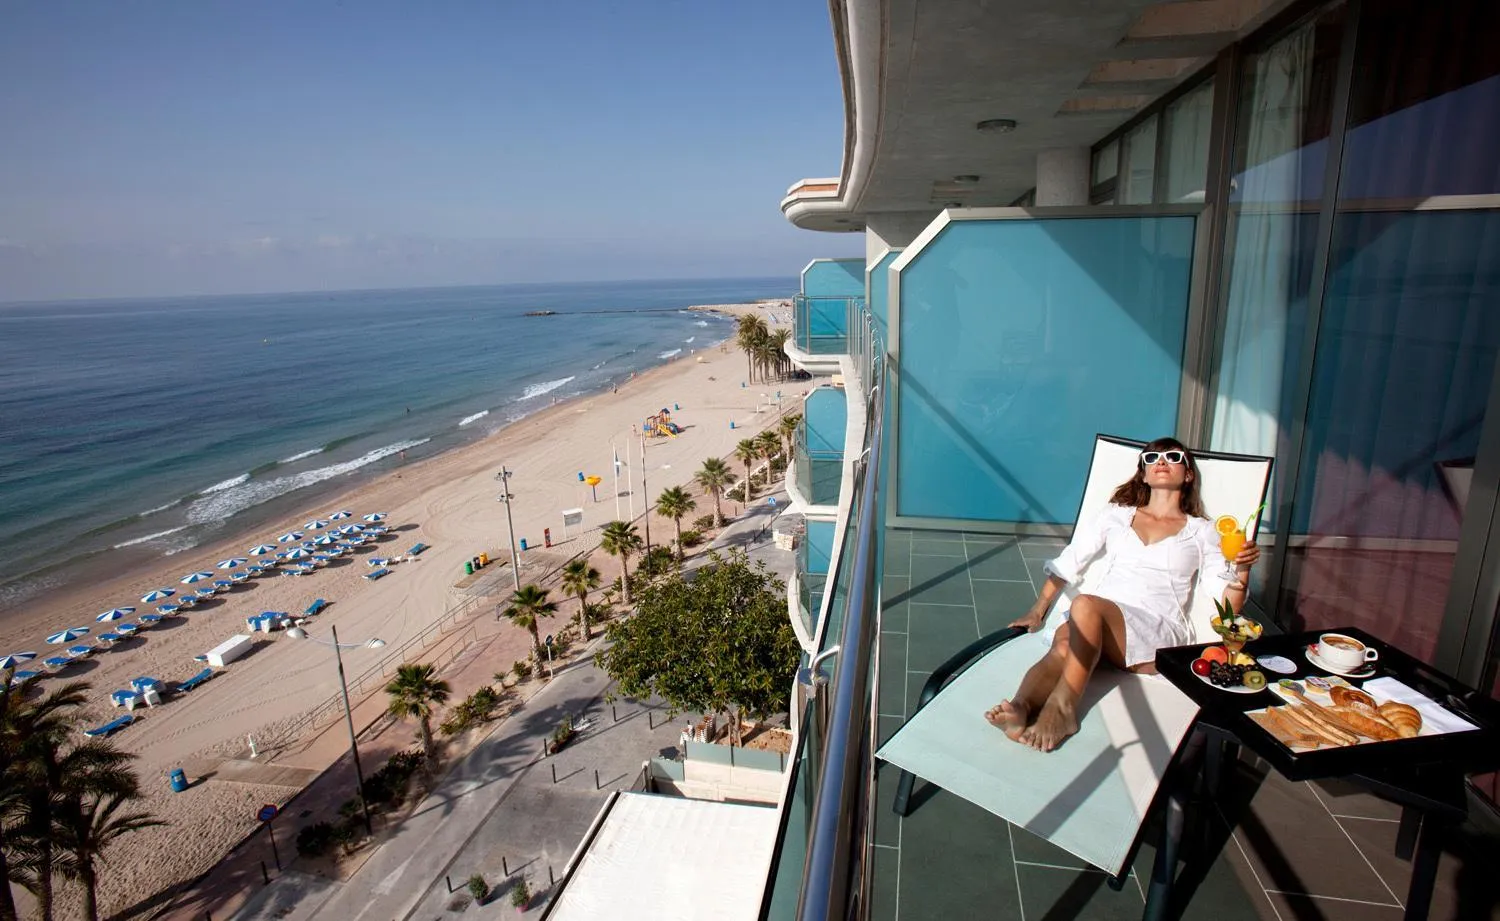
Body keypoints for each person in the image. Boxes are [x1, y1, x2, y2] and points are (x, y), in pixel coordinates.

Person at [986, 437, 1260, 752]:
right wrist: (1038, 609)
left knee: (1084, 605)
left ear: (1188, 475)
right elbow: (1072, 560)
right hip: (1098, 620)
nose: (1161, 461)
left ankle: (1063, 708)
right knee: (1064, 643)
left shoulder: (1202, 531)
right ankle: (1020, 707)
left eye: (1173, 457)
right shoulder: (1116, 514)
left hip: (1156, 629)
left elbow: (1226, 607)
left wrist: (1241, 571)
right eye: (1151, 458)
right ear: (1143, 474)